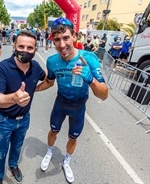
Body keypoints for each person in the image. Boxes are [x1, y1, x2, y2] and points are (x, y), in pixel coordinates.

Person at [36, 17, 108, 183]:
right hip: (60, 104)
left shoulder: (88, 58)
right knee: (53, 131)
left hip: (78, 107)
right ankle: (49, 151)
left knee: (73, 137)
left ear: (74, 36)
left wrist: (91, 80)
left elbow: (104, 95)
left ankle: (66, 161)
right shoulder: (52, 61)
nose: (62, 45)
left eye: (66, 38)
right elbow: (49, 82)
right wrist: (33, 90)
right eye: (57, 40)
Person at [0, 30, 45, 184]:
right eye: (21, 46)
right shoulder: (2, 68)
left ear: (35, 49)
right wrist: (14, 98)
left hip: (24, 119)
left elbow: (46, 78)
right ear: (14, 46)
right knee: (0, 153)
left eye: (30, 48)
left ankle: (13, 165)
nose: (25, 51)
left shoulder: (35, 66)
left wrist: (38, 87)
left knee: (17, 147)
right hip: (3, 120)